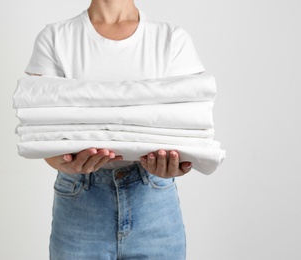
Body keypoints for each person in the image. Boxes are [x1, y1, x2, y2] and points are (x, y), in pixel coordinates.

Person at [25, 0, 205, 258]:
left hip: (154, 204)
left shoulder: (171, 39)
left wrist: (177, 162)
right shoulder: (55, 38)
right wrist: (65, 163)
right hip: (79, 202)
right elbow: (41, 131)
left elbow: (188, 122)